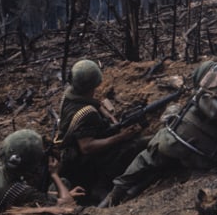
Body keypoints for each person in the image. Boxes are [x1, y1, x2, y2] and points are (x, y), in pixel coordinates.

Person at [99, 30, 217, 207]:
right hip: (207, 156)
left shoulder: (208, 68)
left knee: (147, 158)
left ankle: (114, 195)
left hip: (173, 141)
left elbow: (194, 94)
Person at [57, 59, 149, 205]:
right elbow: (87, 147)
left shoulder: (71, 94)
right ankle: (102, 185)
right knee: (137, 145)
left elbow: (94, 103)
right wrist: (120, 136)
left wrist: (112, 120)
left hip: (72, 157)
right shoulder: (87, 114)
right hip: (85, 165)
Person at [0, 129, 83, 215]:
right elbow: (68, 204)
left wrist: (56, 195)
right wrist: (54, 174)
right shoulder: (17, 190)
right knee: (63, 182)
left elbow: (36, 195)